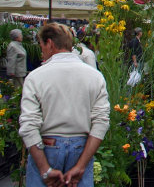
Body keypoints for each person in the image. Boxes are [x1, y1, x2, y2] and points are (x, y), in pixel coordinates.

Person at [19, 23, 110, 186]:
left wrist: (44, 168)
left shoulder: (35, 77)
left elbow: (28, 125)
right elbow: (101, 122)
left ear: (50, 44)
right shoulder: (95, 76)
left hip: (46, 148)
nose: (42, 51)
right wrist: (81, 166)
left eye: (41, 46)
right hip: (81, 148)